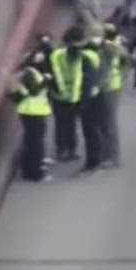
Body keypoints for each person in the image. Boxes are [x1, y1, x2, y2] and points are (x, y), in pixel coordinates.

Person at [49, 25, 104, 171]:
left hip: (61, 96)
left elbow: (52, 74)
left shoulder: (56, 54)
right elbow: (92, 77)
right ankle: (90, 159)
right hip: (83, 97)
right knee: (90, 129)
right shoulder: (89, 55)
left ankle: (65, 150)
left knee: (64, 125)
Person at [10, 53, 52, 182]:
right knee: (35, 144)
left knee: (31, 142)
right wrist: (46, 80)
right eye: (39, 59)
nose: (41, 62)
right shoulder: (29, 73)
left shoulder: (30, 72)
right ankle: (36, 173)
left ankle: (28, 170)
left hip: (33, 112)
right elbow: (34, 91)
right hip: (32, 112)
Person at [94, 23, 132, 168]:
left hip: (109, 88)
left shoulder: (109, 49)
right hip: (111, 86)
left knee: (108, 122)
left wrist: (121, 77)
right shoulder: (115, 47)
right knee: (105, 121)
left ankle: (111, 156)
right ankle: (107, 154)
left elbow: (124, 64)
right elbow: (127, 64)